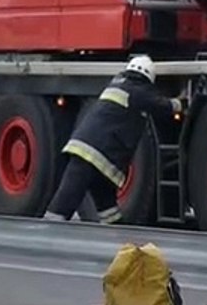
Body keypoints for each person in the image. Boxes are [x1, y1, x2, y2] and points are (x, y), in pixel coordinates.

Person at [43, 54, 183, 224]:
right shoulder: (138, 91)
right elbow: (163, 106)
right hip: (94, 155)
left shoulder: (117, 84)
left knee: (106, 204)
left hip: (89, 153)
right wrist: (180, 103)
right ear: (148, 76)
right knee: (65, 201)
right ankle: (49, 231)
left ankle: (116, 230)